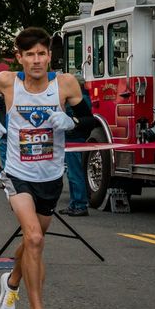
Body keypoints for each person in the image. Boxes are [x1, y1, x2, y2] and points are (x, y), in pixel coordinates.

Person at [0, 28, 93, 309]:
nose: (36, 60)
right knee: (33, 237)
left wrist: (72, 122)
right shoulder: (8, 82)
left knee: (34, 241)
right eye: (29, 54)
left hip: (50, 177)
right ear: (19, 57)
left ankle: (12, 281)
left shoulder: (66, 84)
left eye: (41, 53)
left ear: (49, 56)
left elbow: (89, 122)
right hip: (17, 175)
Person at [63, 73, 92, 216]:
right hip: (71, 139)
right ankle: (74, 203)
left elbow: (85, 120)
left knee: (75, 173)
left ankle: (80, 204)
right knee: (71, 173)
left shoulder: (82, 99)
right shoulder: (78, 98)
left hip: (75, 138)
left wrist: (71, 122)